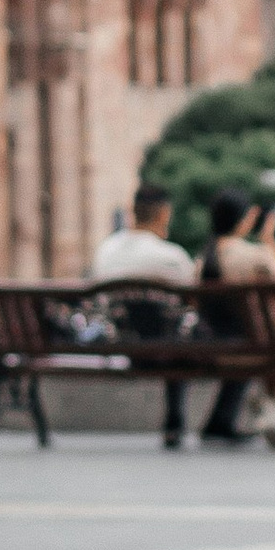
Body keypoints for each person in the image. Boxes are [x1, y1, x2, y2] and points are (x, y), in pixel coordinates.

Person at [93, 185, 199, 450]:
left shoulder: (106, 251)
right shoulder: (171, 257)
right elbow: (195, 296)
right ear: (163, 214)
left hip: (121, 342)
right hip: (166, 349)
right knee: (181, 334)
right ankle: (176, 423)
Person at [195, 191, 275, 450]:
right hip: (259, 350)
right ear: (246, 218)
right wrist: (269, 241)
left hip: (213, 349)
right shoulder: (253, 255)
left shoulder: (200, 261)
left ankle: (256, 412)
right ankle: (271, 404)